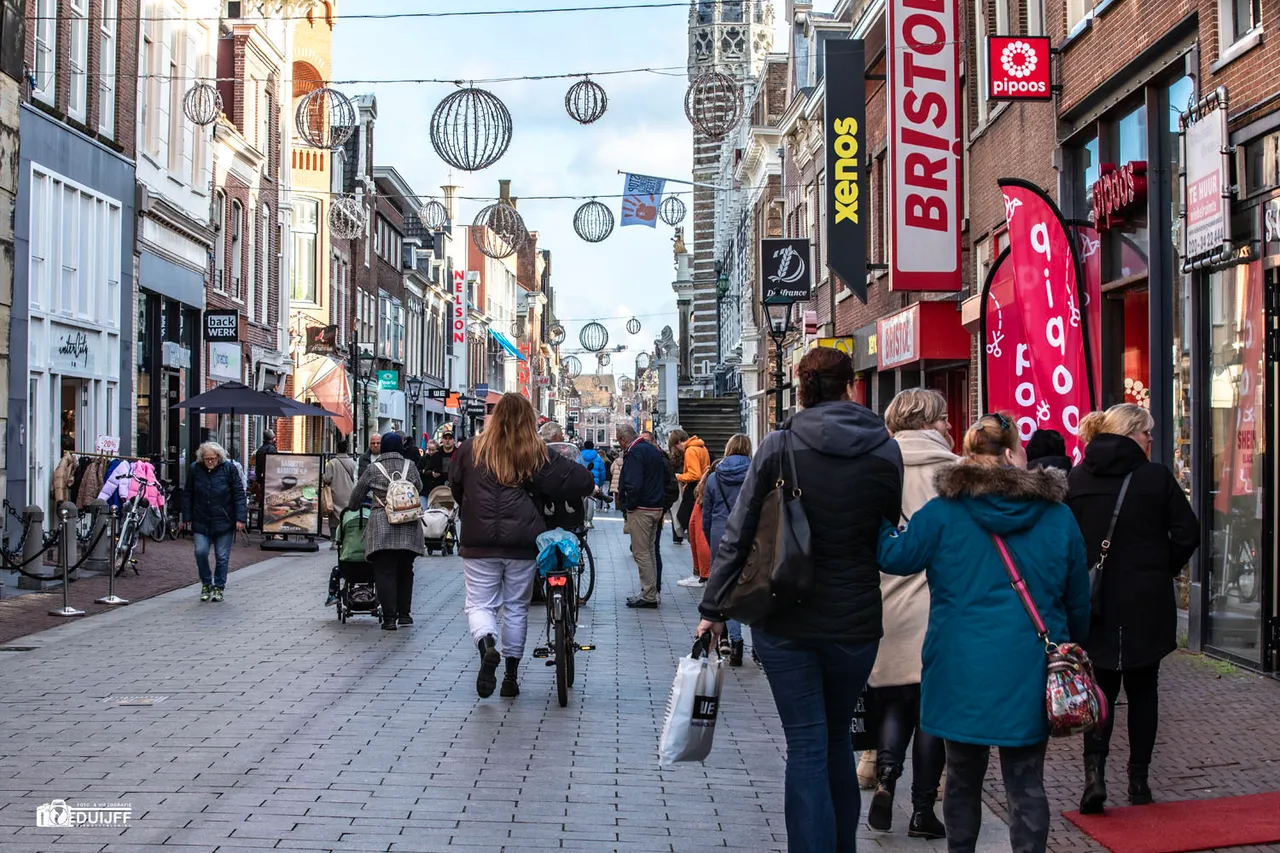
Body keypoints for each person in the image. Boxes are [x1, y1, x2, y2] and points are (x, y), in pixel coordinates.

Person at [697, 347, 903, 853]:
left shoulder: (779, 445)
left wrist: (713, 609)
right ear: (851, 386)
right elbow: (884, 526)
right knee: (836, 739)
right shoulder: (884, 449)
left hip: (784, 614)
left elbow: (739, 533)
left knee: (807, 744)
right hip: (855, 622)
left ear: (802, 388)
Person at [876, 413, 1091, 853]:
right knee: (1026, 781)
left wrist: (877, 514)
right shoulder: (1058, 517)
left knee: (961, 776)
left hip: (958, 665)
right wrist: (1069, 645)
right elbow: (1078, 599)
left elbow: (894, 557)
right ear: (1012, 453)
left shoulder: (941, 514)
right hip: (1030, 665)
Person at [1067, 403, 1199, 813]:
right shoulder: (1155, 477)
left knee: (1099, 689)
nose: (1151, 439)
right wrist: (1162, 566)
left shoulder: (1078, 478)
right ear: (1131, 434)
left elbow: (1064, 540)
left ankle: (1095, 775)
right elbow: (1188, 532)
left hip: (1096, 600)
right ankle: (1138, 781)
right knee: (1144, 690)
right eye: (1147, 432)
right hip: (1146, 599)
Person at [450, 394, 595, 699]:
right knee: (516, 607)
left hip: (478, 541)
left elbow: (456, 487)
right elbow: (577, 479)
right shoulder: (534, 452)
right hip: (522, 541)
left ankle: (487, 646)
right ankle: (510, 677)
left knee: (479, 604)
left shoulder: (470, 449)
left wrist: (471, 507)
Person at [866, 388, 956, 839]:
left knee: (894, 701)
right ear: (927, 422)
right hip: (938, 605)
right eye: (943, 419)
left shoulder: (875, 467)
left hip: (886, 602)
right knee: (930, 712)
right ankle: (923, 811)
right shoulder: (955, 473)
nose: (949, 426)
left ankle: (885, 779)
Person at [345, 432, 424, 631]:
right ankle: (405, 615)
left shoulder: (373, 469)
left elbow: (355, 499)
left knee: (385, 572)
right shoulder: (410, 466)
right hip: (409, 525)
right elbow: (420, 487)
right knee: (406, 570)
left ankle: (389, 619)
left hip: (382, 526)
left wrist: (357, 505)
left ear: (382, 448)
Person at [700, 434, 752, 665]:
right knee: (754, 586)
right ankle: (754, 646)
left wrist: (711, 536)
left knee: (725, 588)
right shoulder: (756, 475)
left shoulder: (714, 477)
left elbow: (707, 514)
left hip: (721, 534)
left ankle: (733, 641)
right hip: (749, 534)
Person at [186, 441, 248, 603]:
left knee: (222, 556)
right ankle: (206, 583)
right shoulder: (195, 469)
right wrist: (186, 517)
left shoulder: (229, 469)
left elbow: (239, 494)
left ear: (219, 457)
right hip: (201, 519)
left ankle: (219, 587)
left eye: (213, 459)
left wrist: (240, 518)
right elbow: (188, 493)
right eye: (207, 459)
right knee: (200, 552)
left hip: (224, 520)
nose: (210, 462)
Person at [617, 422, 668, 609]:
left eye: (619, 441)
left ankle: (648, 594)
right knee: (650, 550)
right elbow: (666, 477)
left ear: (624, 439)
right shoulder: (653, 450)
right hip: (656, 506)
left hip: (642, 508)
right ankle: (652, 591)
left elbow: (634, 482)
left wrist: (629, 505)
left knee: (640, 552)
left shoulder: (634, 453)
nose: (620, 445)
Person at [323, 438, 358, 560]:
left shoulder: (332, 463)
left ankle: (334, 540)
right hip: (349, 494)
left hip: (335, 494)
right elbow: (356, 478)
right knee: (347, 517)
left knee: (333, 519)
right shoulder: (353, 463)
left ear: (337, 448)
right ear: (347, 449)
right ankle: (346, 539)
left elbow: (327, 479)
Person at [579, 440, 608, 529]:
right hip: (594, 482)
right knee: (591, 501)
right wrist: (600, 482)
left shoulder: (579, 456)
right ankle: (589, 521)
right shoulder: (598, 458)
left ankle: (583, 520)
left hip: (581, 481)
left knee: (582, 501)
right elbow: (602, 471)